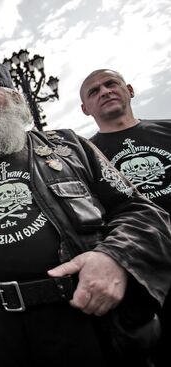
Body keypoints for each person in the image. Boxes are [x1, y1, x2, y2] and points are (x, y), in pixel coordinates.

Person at [0, 61, 171, 367]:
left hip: (79, 313)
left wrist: (114, 256)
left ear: (15, 99)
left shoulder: (67, 147)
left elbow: (139, 211)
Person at [82, 68, 171, 367]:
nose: (104, 92)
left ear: (129, 89)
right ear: (85, 108)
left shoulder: (167, 130)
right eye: (93, 91)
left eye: (111, 84)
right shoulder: (85, 156)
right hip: (141, 275)